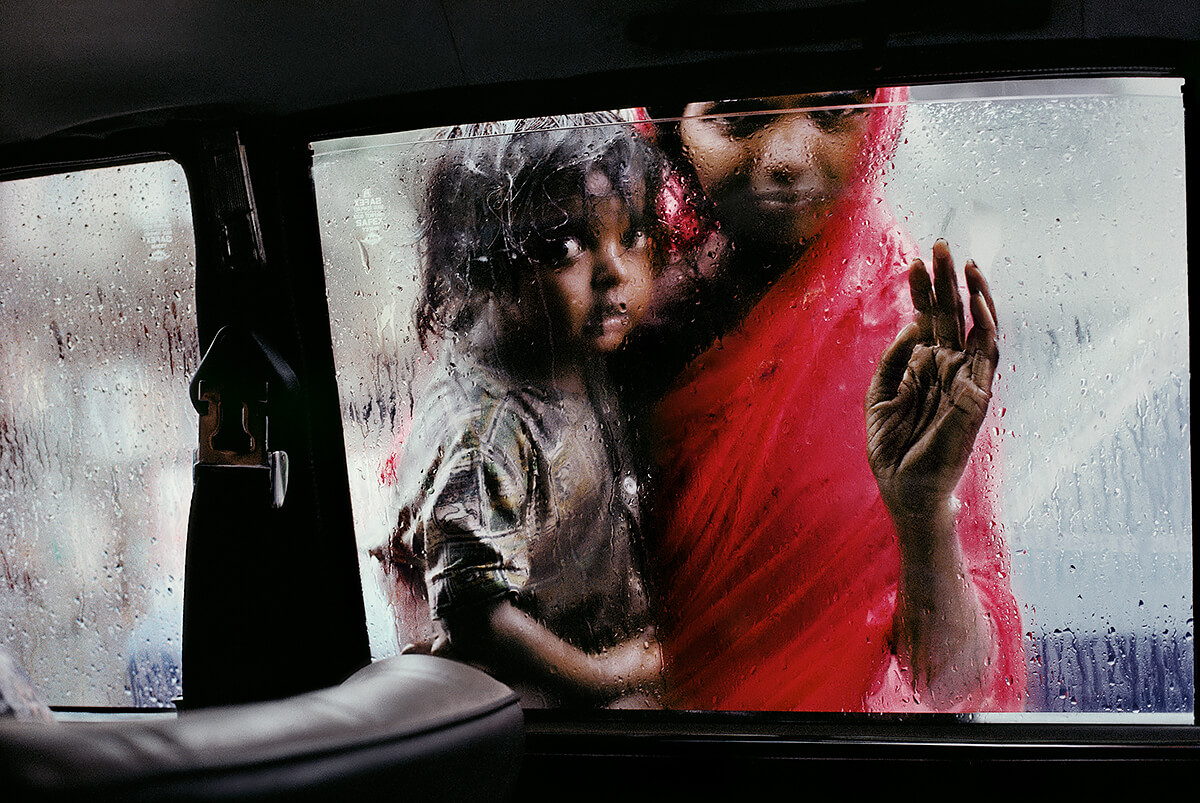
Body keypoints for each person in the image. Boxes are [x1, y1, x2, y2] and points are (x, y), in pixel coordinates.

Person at [624, 88, 1025, 711]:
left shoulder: (907, 333)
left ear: (880, 119)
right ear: (670, 131)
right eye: (736, 119)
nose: (787, 155)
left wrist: (923, 518)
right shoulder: (612, 301)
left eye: (833, 112)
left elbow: (955, 687)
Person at [373, 114, 666, 708]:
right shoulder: (489, 430)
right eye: (564, 246)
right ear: (481, 265)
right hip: (538, 707)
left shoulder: (571, 346)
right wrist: (608, 675)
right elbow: (473, 613)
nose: (615, 272)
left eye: (631, 234)